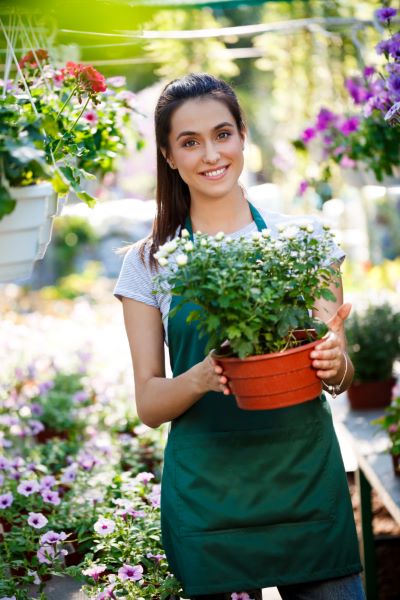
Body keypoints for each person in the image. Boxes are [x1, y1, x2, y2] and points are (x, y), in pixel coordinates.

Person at [114, 73, 365, 600]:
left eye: (222, 134)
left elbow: (340, 376)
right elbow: (150, 403)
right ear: (168, 155)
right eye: (190, 141)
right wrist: (203, 376)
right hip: (209, 500)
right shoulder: (147, 262)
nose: (211, 154)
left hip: (305, 485)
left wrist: (336, 361)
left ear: (243, 136)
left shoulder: (304, 240)